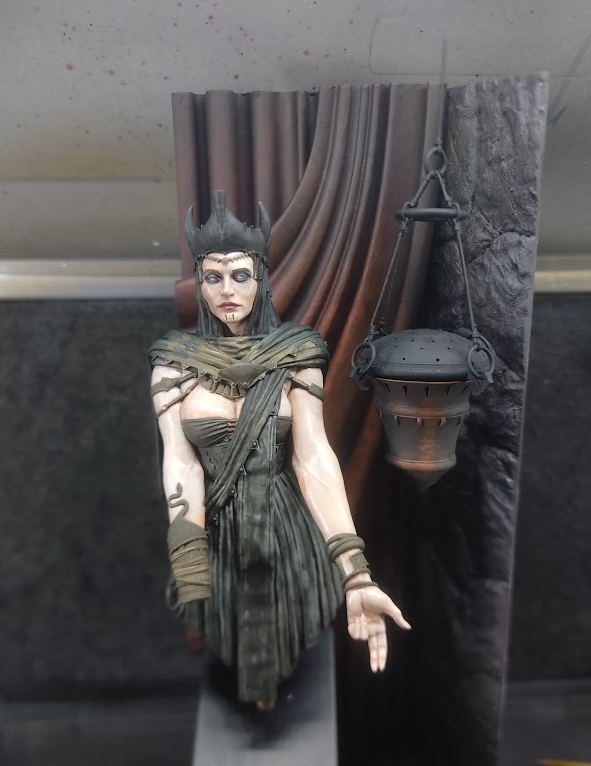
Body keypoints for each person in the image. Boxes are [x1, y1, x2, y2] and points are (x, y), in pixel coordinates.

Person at [150, 190, 409, 707]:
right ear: (199, 283)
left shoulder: (296, 354)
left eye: (240, 275)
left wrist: (354, 572)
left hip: (289, 533)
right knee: (221, 620)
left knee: (289, 616)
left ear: (261, 279)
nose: (227, 289)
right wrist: (188, 553)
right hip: (216, 536)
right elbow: (179, 459)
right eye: (212, 277)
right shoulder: (174, 362)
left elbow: (313, 457)